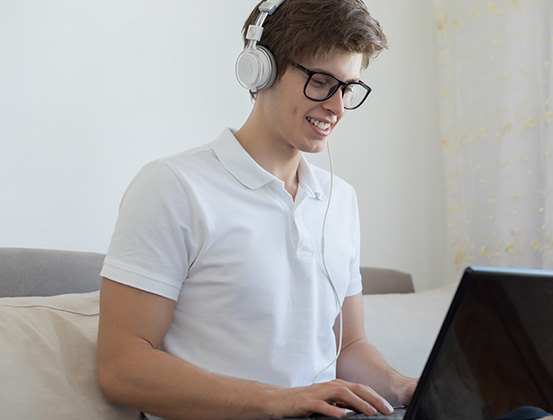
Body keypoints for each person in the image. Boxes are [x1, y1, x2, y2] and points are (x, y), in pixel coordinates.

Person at [96, 1, 417, 419]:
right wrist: (278, 400)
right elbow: (121, 367)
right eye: (321, 82)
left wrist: (405, 387)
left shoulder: (340, 198)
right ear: (260, 68)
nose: (337, 108)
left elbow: (349, 347)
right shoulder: (172, 187)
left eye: (348, 88)